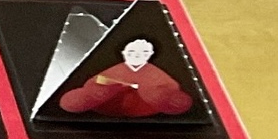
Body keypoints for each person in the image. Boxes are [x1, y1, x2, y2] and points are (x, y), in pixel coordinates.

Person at [57, 38, 193, 118]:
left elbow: (170, 87)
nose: (137, 55)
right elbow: (97, 81)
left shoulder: (154, 71)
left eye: (144, 52)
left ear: (150, 54)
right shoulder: (117, 69)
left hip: (145, 108)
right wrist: (115, 85)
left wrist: (148, 90)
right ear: (124, 53)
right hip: (112, 105)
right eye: (132, 52)